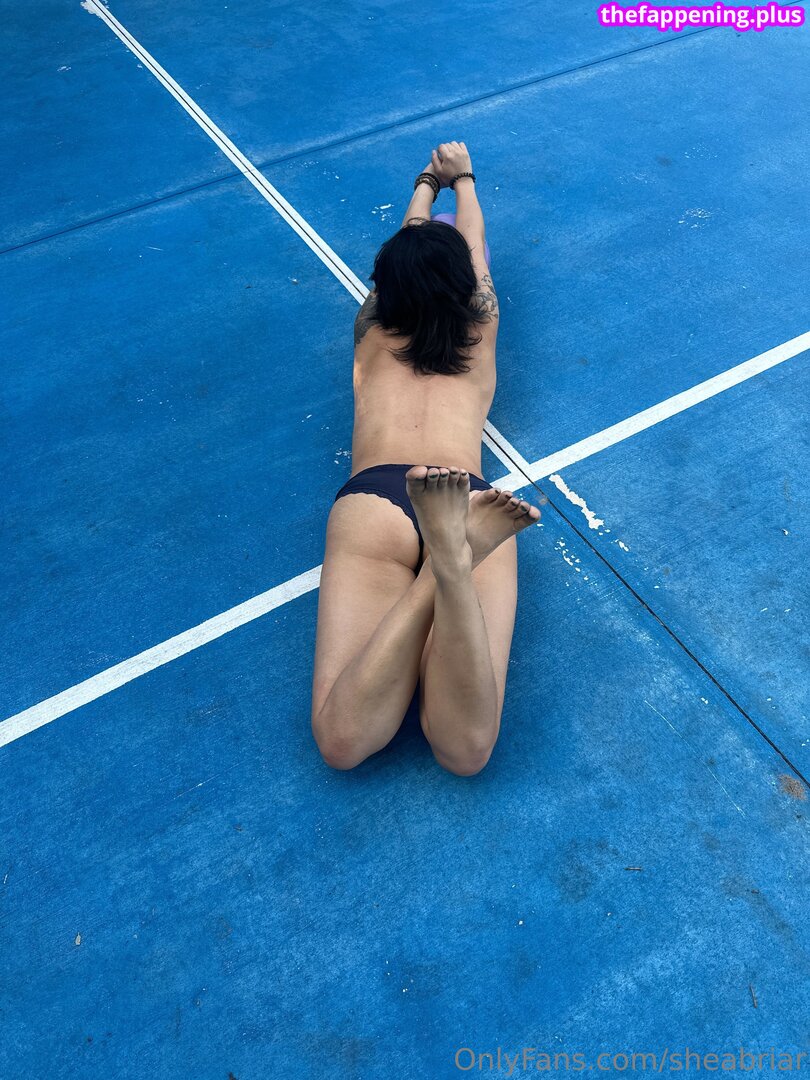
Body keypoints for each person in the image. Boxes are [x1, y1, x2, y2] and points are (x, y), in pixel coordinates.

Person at [310, 141, 541, 777]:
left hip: (375, 500)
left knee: (342, 744)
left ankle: (442, 567)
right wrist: (463, 179)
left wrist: (425, 183)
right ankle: (451, 560)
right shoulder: (480, 328)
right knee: (465, 754)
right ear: (467, 284)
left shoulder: (371, 333)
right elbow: (471, 247)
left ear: (385, 285)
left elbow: (406, 249)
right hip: (467, 499)